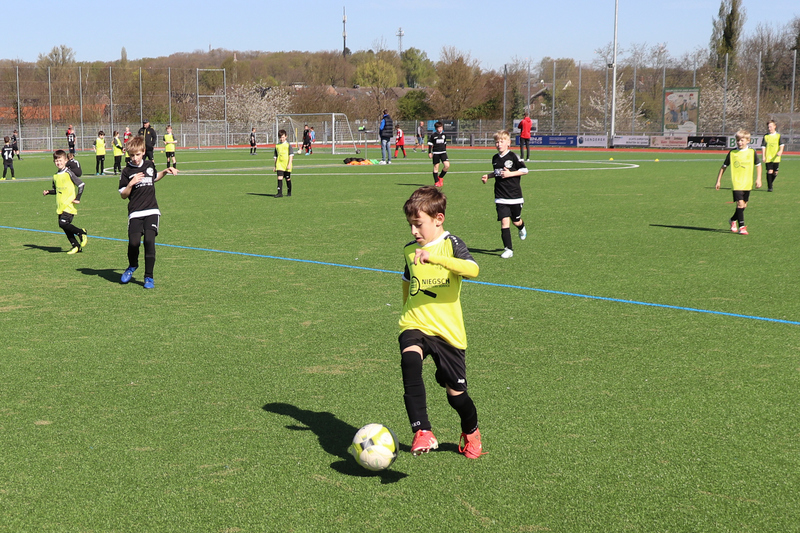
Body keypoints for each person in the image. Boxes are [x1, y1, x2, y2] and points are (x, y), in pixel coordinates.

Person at [399, 186, 484, 459]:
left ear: (438, 219)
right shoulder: (409, 250)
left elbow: (473, 270)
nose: (414, 231)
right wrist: (406, 308)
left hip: (448, 332)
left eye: (418, 224)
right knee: (410, 361)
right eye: (410, 225)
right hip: (415, 322)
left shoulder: (452, 244)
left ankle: (471, 431)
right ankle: (422, 430)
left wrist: (435, 257)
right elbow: (407, 280)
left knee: (456, 396)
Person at [118, 136, 178, 289]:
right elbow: (123, 195)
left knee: (149, 242)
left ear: (143, 151)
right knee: (134, 243)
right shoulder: (126, 171)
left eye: (138, 154)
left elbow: (153, 178)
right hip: (135, 212)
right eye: (132, 155)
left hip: (152, 210)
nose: (135, 158)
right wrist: (131, 184)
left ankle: (149, 277)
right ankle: (132, 265)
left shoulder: (149, 165)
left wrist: (165, 171)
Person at [480, 130, 528, 259]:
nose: (499, 144)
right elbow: (498, 172)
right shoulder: (495, 158)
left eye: (502, 141)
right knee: (504, 222)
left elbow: (525, 170)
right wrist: (488, 176)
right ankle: (508, 249)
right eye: (497, 142)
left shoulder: (514, 156)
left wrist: (510, 174)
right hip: (500, 196)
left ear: (508, 143)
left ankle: (521, 227)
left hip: (515, 196)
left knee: (516, 221)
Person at [715, 129, 762, 235]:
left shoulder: (752, 152)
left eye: (742, 140)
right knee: (740, 204)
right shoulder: (732, 153)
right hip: (736, 183)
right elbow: (723, 167)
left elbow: (758, 165)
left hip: (748, 182)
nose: (739, 142)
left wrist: (758, 179)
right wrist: (718, 181)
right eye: (738, 140)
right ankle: (742, 227)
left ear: (748, 140)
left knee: (744, 205)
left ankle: (732, 220)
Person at [42, 150, 87, 255]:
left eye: (60, 160)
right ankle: (76, 246)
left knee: (63, 223)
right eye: (56, 161)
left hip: (69, 205)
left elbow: (81, 184)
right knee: (64, 226)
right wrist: (48, 192)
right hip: (61, 205)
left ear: (66, 160)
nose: (58, 163)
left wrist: (78, 198)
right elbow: (57, 190)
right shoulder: (55, 176)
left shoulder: (69, 172)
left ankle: (81, 232)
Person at [761, 119, 785, 192]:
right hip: (768, 157)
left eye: (771, 127)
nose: (769, 128)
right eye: (768, 127)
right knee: (770, 171)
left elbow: (782, 145)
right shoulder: (766, 136)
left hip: (776, 157)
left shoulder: (778, 136)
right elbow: (763, 146)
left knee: (775, 172)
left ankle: (770, 183)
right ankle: (770, 187)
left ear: (775, 126)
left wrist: (780, 151)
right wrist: (763, 156)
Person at [273, 129, 294, 198]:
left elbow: (291, 155)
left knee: (287, 178)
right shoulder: (277, 146)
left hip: (286, 164)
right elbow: (275, 156)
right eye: (280, 137)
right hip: (279, 164)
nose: (281, 139)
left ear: (286, 136)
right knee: (279, 177)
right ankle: (279, 193)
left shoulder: (288, 145)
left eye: (283, 137)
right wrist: (275, 166)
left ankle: (289, 191)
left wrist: (289, 164)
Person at [428, 121, 449, 187]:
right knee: (436, 167)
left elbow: (445, 144)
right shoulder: (433, 135)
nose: (440, 129)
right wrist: (429, 152)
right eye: (439, 128)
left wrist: (445, 150)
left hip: (443, 152)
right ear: (436, 128)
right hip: (436, 153)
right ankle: (436, 182)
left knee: (447, 165)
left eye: (441, 128)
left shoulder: (444, 135)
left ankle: (440, 177)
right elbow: (430, 144)